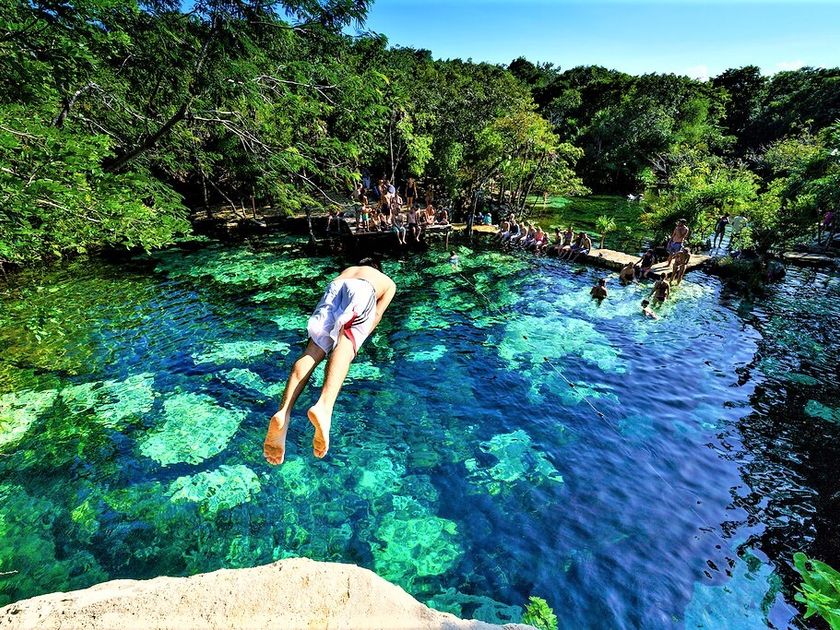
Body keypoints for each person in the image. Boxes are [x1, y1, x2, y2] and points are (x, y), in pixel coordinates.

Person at [263, 260, 397, 465]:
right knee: (345, 345)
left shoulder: (347, 270)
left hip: (334, 288)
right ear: (378, 268)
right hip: (362, 291)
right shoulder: (387, 282)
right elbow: (377, 314)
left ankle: (284, 412)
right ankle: (324, 407)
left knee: (312, 350)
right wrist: (357, 340)